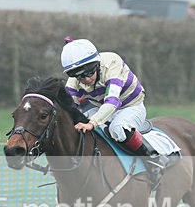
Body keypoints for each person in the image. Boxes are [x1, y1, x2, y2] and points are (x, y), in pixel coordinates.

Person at [61, 37, 171, 183]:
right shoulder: (73, 82)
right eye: (79, 76)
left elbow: (112, 101)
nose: (86, 79)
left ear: (97, 65)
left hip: (130, 106)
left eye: (89, 72)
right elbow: (69, 109)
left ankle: (153, 158)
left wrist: (92, 123)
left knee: (117, 129)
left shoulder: (112, 63)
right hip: (99, 107)